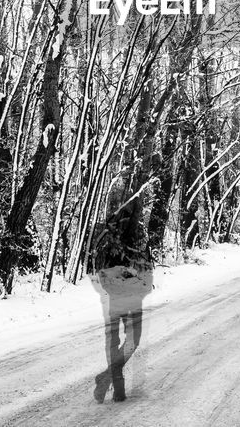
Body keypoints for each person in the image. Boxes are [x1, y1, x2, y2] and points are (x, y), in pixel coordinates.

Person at [88, 162, 156, 403]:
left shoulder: (138, 233)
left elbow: (147, 267)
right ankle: (117, 387)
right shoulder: (105, 234)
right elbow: (96, 268)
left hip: (129, 297)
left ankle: (108, 379)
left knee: (129, 342)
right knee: (119, 341)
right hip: (117, 298)